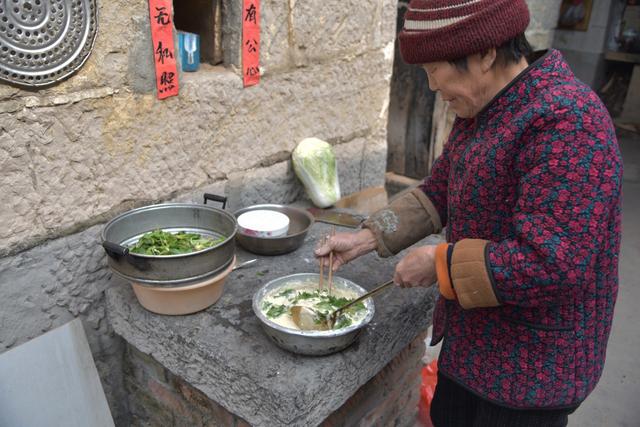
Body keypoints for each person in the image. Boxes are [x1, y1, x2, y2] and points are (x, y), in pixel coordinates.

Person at [315, 0, 622, 426]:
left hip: (530, 371)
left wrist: (438, 262)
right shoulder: (481, 110)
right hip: (472, 346)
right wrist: (367, 236)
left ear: (485, 53)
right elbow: (439, 190)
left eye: (434, 70)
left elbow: (551, 261)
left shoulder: (567, 121)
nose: (432, 86)